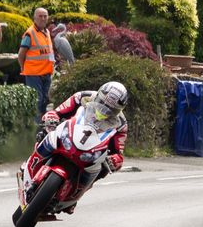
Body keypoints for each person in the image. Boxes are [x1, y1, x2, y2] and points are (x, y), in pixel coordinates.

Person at [25, 83, 130, 215]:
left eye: (111, 109)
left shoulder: (121, 124)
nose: (104, 110)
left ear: (119, 109)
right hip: (69, 133)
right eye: (102, 104)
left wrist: (114, 160)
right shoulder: (82, 97)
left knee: (101, 169)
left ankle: (74, 197)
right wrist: (52, 117)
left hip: (91, 149)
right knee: (45, 133)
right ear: (98, 96)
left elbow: (118, 152)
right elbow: (58, 111)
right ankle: (31, 165)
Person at [18, 7, 54, 118]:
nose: (43, 18)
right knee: (36, 101)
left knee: (44, 101)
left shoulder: (46, 32)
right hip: (34, 74)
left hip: (46, 73)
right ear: (34, 18)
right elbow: (21, 55)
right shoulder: (30, 33)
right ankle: (35, 128)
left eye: (45, 16)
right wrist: (22, 68)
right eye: (40, 16)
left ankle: (42, 126)